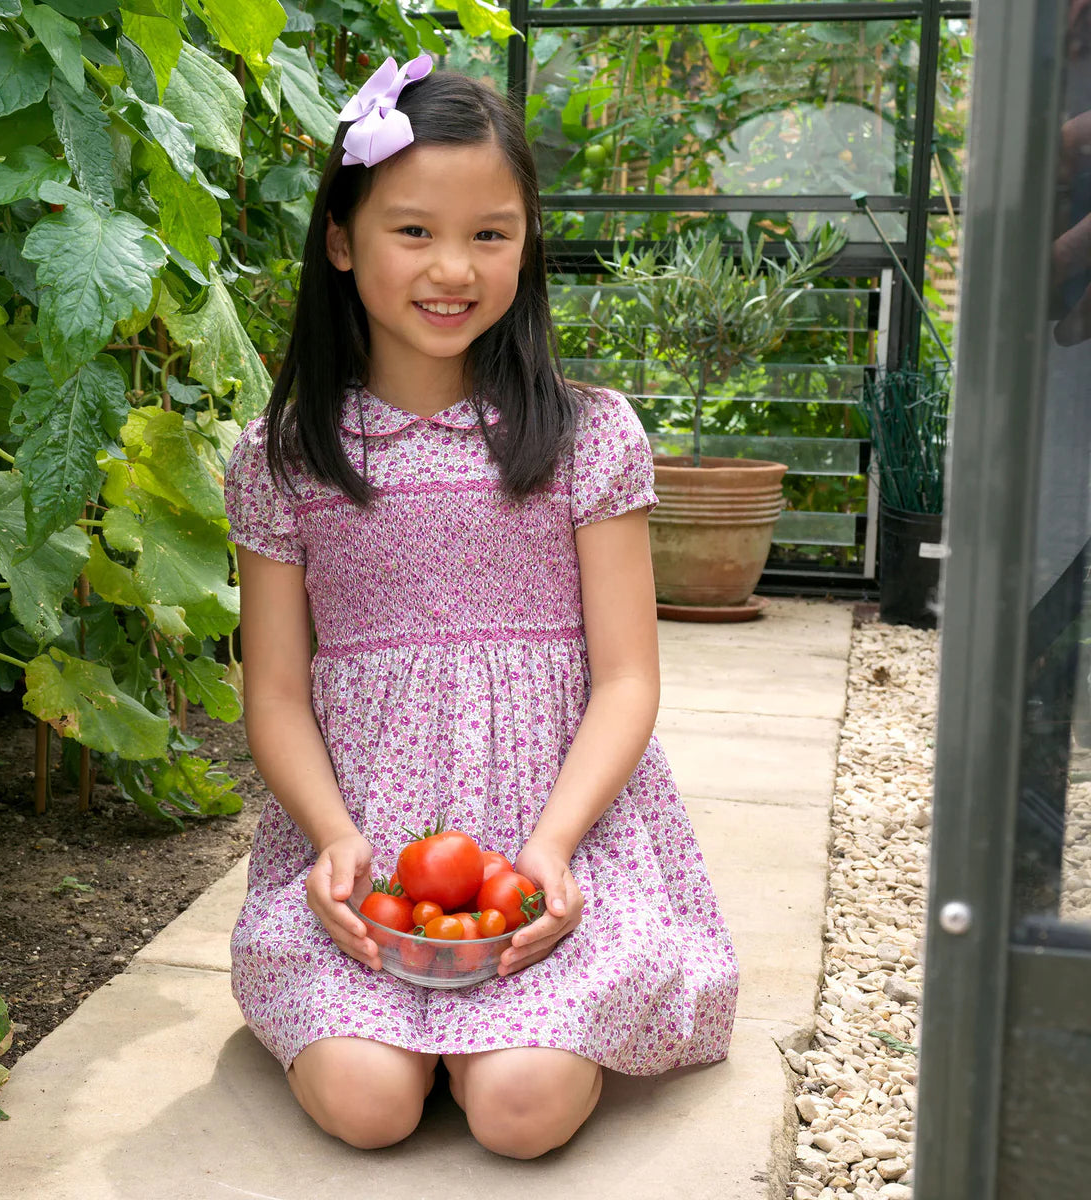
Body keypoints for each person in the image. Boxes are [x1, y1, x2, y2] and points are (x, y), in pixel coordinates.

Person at [224, 54, 739, 1159]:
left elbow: (628, 678)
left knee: (519, 1113)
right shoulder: (283, 458)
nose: (452, 267)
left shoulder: (590, 436)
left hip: (564, 838)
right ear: (341, 239)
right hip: (367, 856)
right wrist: (331, 839)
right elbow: (271, 691)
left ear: (528, 241)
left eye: (491, 234)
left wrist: (553, 847)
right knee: (369, 1107)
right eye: (413, 231)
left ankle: (487, 1050)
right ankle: (395, 1040)